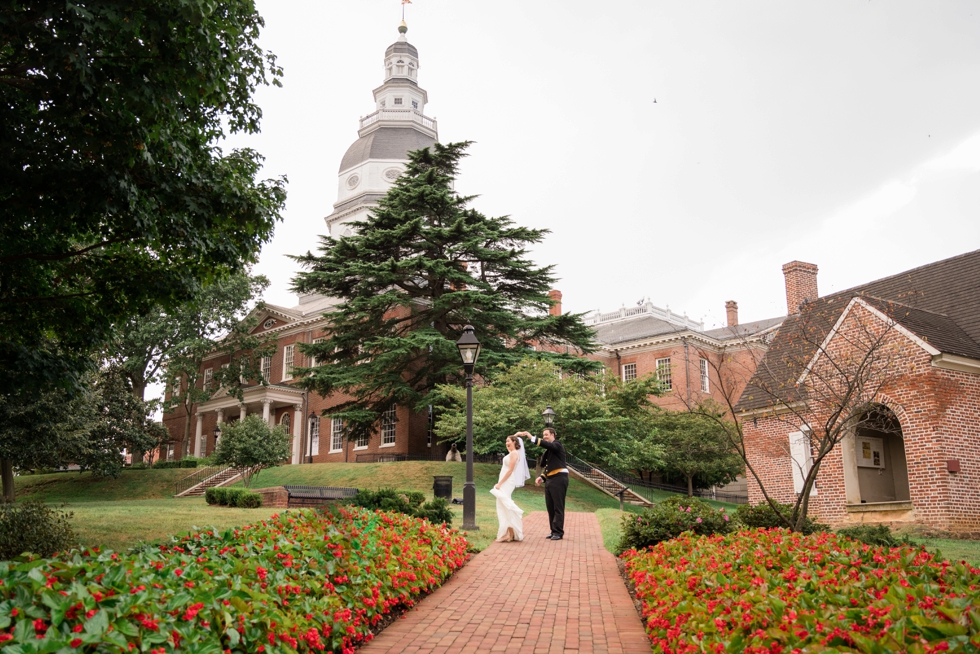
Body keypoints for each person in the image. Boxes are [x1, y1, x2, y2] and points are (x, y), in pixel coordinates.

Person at [522, 427, 568, 540]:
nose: (544, 437)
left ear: (553, 435)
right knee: (550, 507)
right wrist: (542, 477)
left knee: (558, 506)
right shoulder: (549, 450)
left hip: (559, 479)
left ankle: (558, 532)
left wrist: (530, 436)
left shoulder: (557, 444)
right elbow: (548, 467)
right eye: (543, 435)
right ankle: (553, 531)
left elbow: (550, 446)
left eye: (546, 434)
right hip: (550, 480)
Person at [489, 434, 530, 542]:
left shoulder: (515, 454)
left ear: (515, 443)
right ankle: (509, 533)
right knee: (502, 507)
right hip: (503, 481)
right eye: (506, 441)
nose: (507, 443)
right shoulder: (511, 453)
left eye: (509, 441)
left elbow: (510, 470)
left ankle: (510, 534)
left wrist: (500, 483)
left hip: (507, 482)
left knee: (506, 506)